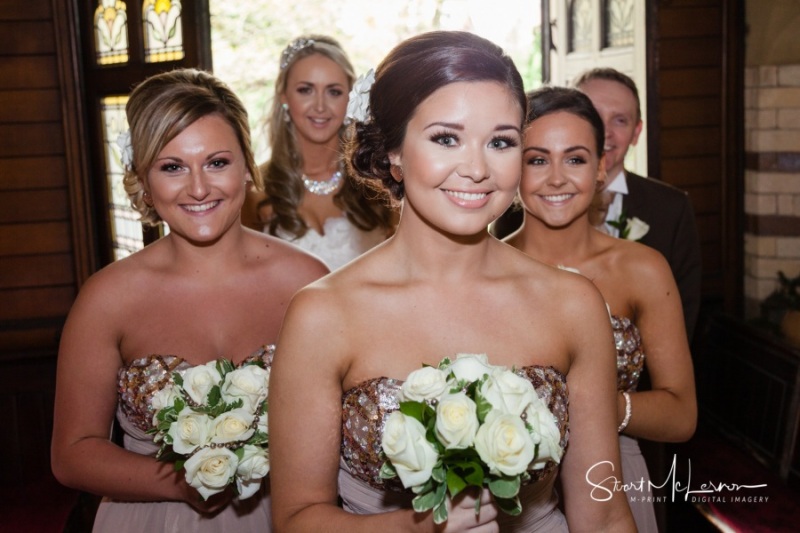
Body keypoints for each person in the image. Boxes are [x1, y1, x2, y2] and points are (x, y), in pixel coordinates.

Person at [269, 31, 635, 532]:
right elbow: (297, 519)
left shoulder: (573, 303)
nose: (477, 169)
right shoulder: (324, 315)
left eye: (501, 142)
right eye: (447, 138)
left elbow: (606, 515)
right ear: (393, 151)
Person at [50, 68, 328, 532]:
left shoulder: (308, 282)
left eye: (217, 162)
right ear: (143, 176)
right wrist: (183, 481)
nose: (198, 188)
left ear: (247, 165)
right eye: (172, 166)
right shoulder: (107, 298)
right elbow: (73, 453)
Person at [503, 85, 697, 532]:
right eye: (537, 159)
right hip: (511, 488)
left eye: (575, 159)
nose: (556, 178)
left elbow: (682, 415)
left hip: (614, 479)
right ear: (513, 168)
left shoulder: (642, 269)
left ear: (601, 168)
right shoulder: (482, 267)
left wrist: (597, 408)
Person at [242, 34, 396, 271]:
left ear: (349, 99)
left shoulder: (379, 182)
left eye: (334, 92)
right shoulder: (253, 192)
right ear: (284, 97)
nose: (320, 106)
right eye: (306, 90)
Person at [575, 67, 702, 342]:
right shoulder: (527, 207)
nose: (604, 132)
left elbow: (685, 315)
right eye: (592, 116)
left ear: (636, 132)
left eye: (619, 120)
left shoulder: (671, 209)